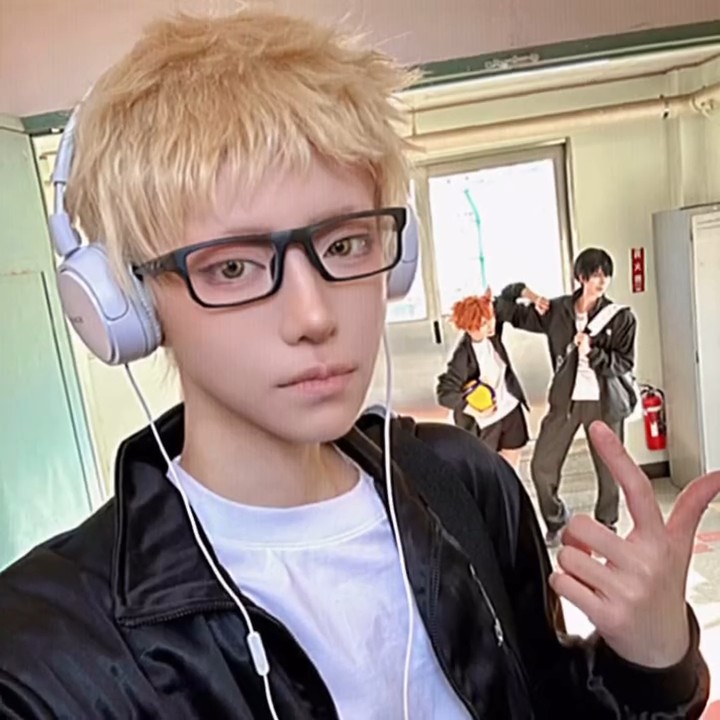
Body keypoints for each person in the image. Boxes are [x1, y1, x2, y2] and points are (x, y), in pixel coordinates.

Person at [0, 10, 716, 719]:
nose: (314, 316)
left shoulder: (462, 485)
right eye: (234, 266)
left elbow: (554, 703)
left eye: (344, 245)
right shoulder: (45, 656)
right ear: (127, 303)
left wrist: (655, 663)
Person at [498, 249, 637, 547]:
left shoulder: (621, 317)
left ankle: (607, 526)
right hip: (565, 402)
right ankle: (557, 522)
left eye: (606, 274)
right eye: (595, 275)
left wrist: (593, 352)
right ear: (581, 277)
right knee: (542, 466)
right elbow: (505, 308)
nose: (602, 281)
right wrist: (527, 293)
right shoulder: (557, 311)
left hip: (604, 403)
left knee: (610, 471)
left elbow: (624, 362)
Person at [436, 289, 530, 469]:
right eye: (483, 323)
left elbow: (508, 295)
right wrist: (474, 410)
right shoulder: (462, 356)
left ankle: (511, 488)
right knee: (487, 469)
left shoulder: (492, 334)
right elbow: (444, 394)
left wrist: (488, 301)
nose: (490, 325)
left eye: (491, 318)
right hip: (486, 422)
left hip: (510, 408)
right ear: (470, 328)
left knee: (512, 464)